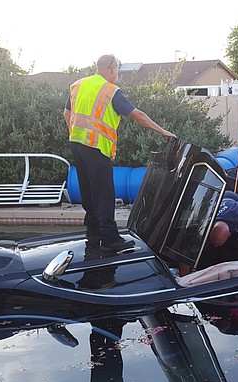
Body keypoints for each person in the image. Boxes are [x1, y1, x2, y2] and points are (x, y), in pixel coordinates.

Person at [63, 54, 176, 253]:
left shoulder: (78, 85)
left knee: (88, 191)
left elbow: (66, 113)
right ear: (112, 68)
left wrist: (75, 133)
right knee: (105, 193)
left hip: (77, 145)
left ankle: (93, 232)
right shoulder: (110, 91)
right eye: (117, 70)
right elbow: (138, 115)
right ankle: (110, 239)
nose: (118, 75)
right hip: (96, 148)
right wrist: (162, 131)